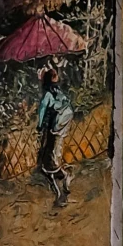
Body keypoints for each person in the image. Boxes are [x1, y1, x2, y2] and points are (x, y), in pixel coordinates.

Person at [36, 65, 73, 208]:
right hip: (60, 130)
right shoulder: (60, 93)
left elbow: (42, 111)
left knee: (49, 164)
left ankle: (63, 182)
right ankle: (59, 192)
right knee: (47, 164)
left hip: (53, 131)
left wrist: (39, 125)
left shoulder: (47, 95)